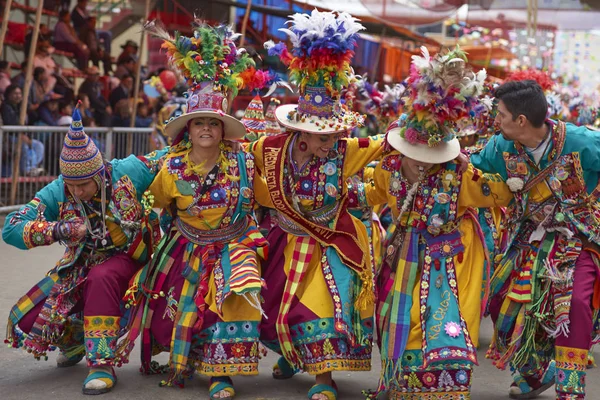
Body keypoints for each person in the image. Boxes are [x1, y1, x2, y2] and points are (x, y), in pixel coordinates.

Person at [114, 22, 266, 400]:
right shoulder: (172, 169)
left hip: (235, 243)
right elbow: (154, 204)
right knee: (183, 313)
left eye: (212, 124)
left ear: (221, 129)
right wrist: (138, 225)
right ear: (189, 128)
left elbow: (267, 197)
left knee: (232, 296)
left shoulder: (244, 161)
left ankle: (221, 374)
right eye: (199, 122)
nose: (205, 130)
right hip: (187, 247)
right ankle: (198, 363)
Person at [363, 47, 513, 400]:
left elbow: (500, 194)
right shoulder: (389, 170)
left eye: (429, 158)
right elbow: (366, 193)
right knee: (394, 316)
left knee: (438, 321)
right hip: (401, 255)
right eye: (414, 158)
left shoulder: (459, 175)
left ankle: (439, 385)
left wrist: (473, 169)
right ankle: (399, 379)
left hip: (448, 262)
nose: (421, 163)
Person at [252, 11, 385, 400]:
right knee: (275, 306)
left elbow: (390, 144)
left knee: (320, 306)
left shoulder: (347, 152)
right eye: (317, 135)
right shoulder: (267, 149)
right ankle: (292, 355)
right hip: (282, 240)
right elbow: (237, 162)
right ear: (298, 130)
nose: (327, 142)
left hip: (330, 241)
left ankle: (323, 378)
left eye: (331, 134)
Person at [2, 107, 167, 395]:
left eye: (83, 184)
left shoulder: (128, 171)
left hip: (129, 256)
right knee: (30, 320)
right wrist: (59, 230)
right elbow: (11, 227)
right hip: (79, 264)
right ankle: (75, 339)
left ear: (100, 174)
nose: (76, 192)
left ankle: (100, 363)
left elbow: (171, 158)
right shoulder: (58, 190)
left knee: (102, 277)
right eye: (71, 185)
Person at [469, 79, 600, 399]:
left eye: (500, 114)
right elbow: (472, 168)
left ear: (521, 121)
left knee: (575, 303)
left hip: (575, 237)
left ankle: (570, 387)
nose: (496, 120)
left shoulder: (582, 142)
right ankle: (534, 372)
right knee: (501, 298)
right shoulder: (500, 147)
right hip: (526, 237)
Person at [0, 84, 45, 176]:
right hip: (10, 136)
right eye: (15, 93)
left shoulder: (22, 106)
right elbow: (11, 123)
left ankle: (33, 167)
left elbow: (34, 117)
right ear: (8, 95)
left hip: (22, 135)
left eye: (20, 93)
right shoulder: (6, 107)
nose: (18, 96)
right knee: (23, 146)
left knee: (38, 145)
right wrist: (20, 136)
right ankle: (26, 170)